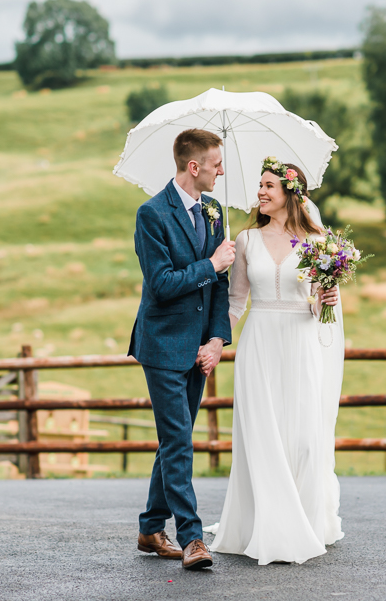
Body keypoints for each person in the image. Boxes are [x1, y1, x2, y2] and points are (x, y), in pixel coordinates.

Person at [209, 159, 345, 565]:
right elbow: (236, 301)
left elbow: (322, 302)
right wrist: (217, 341)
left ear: (290, 193)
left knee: (303, 437)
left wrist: (330, 299)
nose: (261, 192)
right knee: (261, 433)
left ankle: (303, 516)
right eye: (260, 186)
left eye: (269, 186)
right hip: (260, 343)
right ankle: (264, 523)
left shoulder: (319, 242)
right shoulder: (247, 240)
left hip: (301, 342)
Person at [127, 128, 235, 571]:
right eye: (216, 163)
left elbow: (219, 287)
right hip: (162, 345)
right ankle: (193, 538)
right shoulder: (151, 214)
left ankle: (151, 527)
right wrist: (210, 264)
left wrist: (215, 340)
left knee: (176, 439)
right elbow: (163, 284)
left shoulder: (213, 211)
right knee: (179, 441)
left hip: (197, 349)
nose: (221, 170)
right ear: (195, 167)